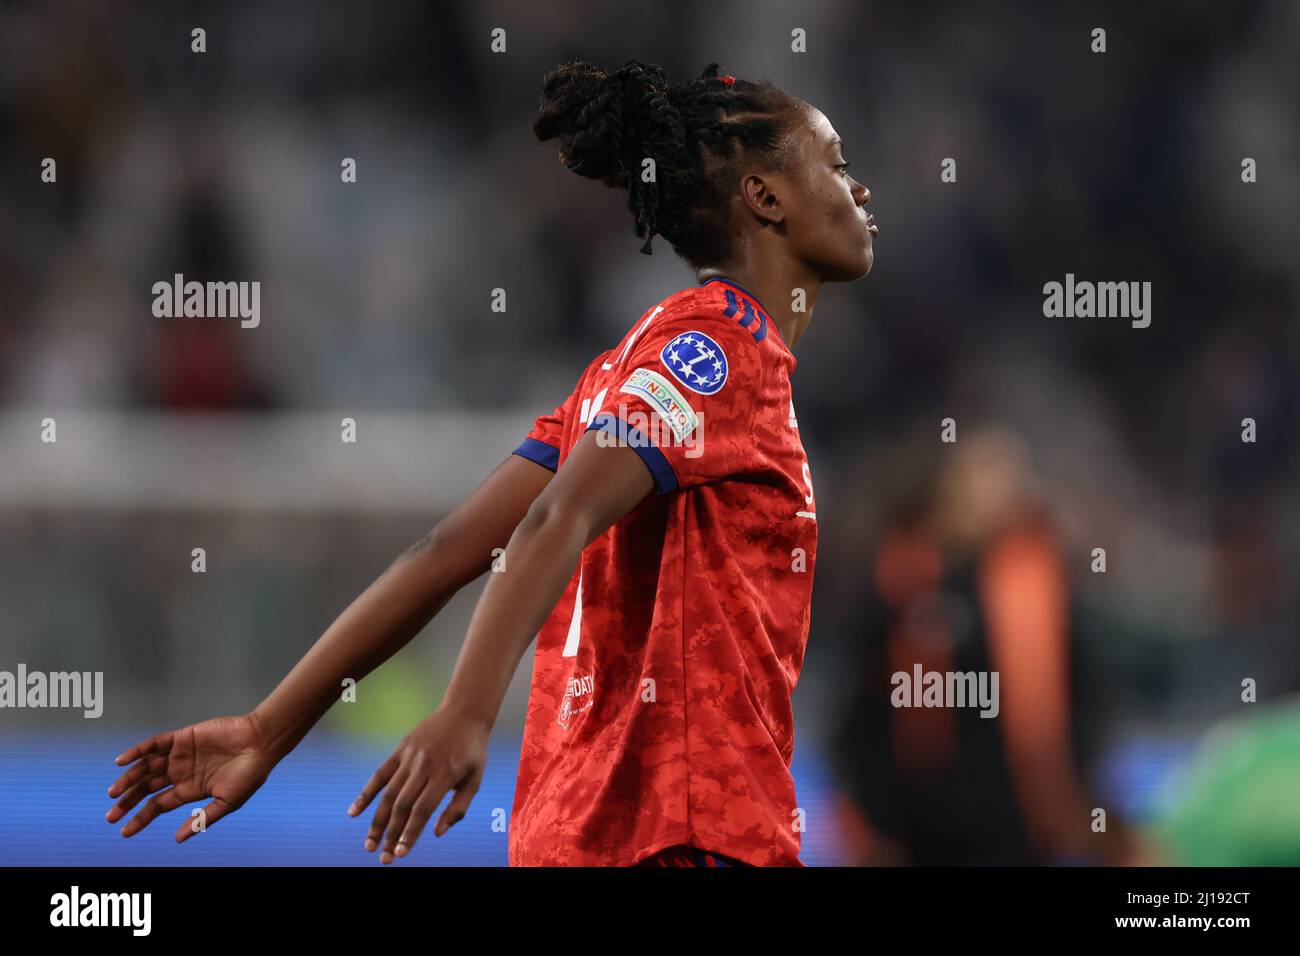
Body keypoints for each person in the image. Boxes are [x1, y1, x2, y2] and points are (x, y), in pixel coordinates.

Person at [106, 59, 877, 866]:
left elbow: (446, 549)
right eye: (838, 163)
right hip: (679, 834)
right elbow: (556, 516)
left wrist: (272, 725)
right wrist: (469, 709)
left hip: (579, 833)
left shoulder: (620, 373)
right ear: (764, 196)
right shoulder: (722, 350)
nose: (860, 191)